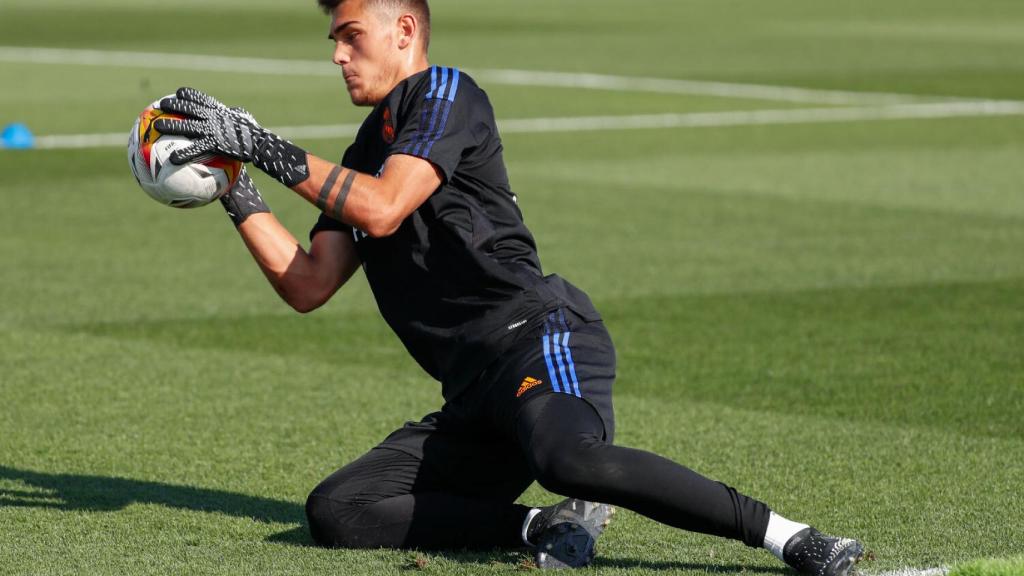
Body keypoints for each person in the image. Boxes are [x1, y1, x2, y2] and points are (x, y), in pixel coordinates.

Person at [153, 0, 864, 573]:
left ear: (405, 30)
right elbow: (309, 285)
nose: (337, 54)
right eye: (333, 39)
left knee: (568, 460)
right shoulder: (360, 154)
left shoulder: (445, 94)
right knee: (339, 510)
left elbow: (383, 206)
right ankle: (543, 526)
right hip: (473, 396)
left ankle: (788, 537)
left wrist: (259, 143)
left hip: (540, 341)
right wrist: (234, 186)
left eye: (350, 34)